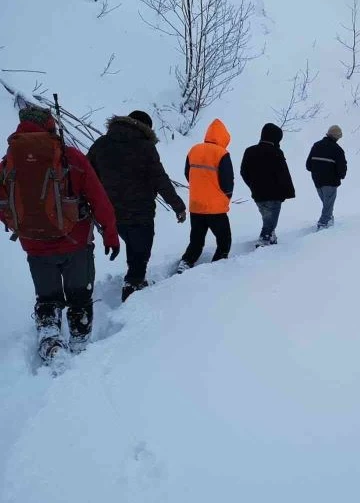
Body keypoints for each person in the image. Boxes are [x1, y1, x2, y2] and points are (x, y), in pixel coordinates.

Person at [0, 106, 120, 362]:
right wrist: (110, 233)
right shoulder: (70, 157)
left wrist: (22, 226)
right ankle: (79, 348)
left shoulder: (9, 161)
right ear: (49, 125)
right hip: (76, 243)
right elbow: (99, 199)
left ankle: (51, 344)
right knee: (79, 297)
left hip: (35, 247)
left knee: (47, 299)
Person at [88, 110, 186, 302]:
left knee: (133, 246)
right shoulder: (145, 147)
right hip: (140, 212)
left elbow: (87, 175)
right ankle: (133, 288)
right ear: (145, 128)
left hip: (110, 212)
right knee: (140, 250)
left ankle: (135, 278)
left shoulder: (101, 144)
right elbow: (160, 179)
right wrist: (178, 206)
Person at [177, 119, 233, 272]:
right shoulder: (222, 153)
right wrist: (227, 197)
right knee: (224, 240)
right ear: (224, 137)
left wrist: (198, 188)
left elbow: (187, 173)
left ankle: (186, 262)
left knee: (196, 239)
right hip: (216, 208)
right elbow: (227, 180)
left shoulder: (194, 150)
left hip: (196, 205)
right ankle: (218, 265)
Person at [240, 123, 295, 246]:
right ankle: (265, 240)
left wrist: (253, 186)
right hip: (274, 195)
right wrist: (287, 193)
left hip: (258, 194)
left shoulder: (250, 151)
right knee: (270, 222)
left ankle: (270, 236)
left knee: (267, 219)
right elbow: (284, 175)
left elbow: (244, 172)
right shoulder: (276, 152)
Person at [306, 125, 347, 230]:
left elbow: (308, 165)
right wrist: (341, 175)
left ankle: (328, 218)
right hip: (330, 181)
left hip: (317, 180)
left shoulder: (316, 145)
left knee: (327, 203)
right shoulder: (337, 150)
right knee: (328, 203)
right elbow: (342, 168)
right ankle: (324, 223)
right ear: (336, 137)